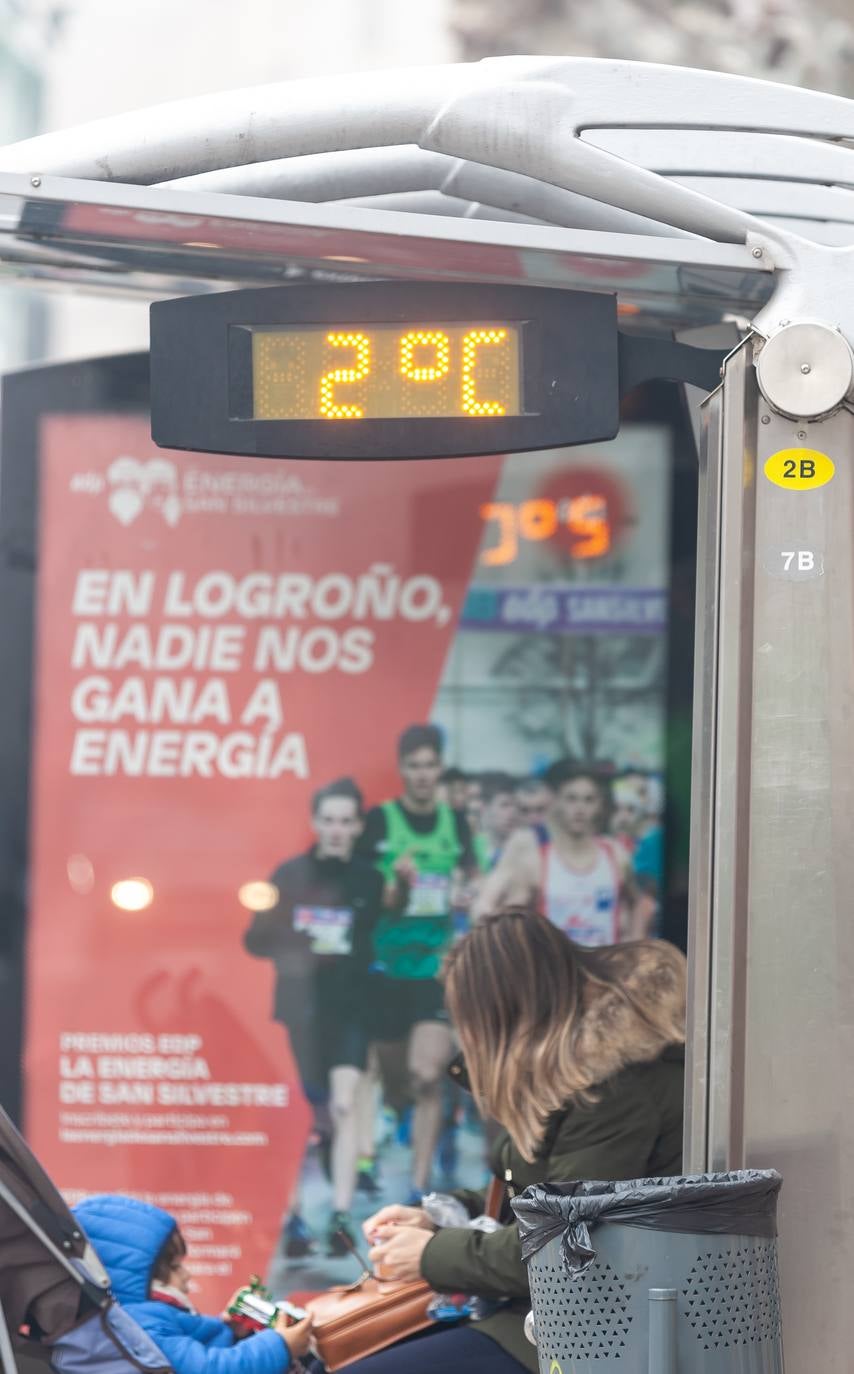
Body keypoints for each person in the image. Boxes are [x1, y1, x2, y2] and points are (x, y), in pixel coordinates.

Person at [342, 910, 685, 1374]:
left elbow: (567, 1243)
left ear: (505, 1012)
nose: (467, 1035)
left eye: (469, 1018)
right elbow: (542, 1192)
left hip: (592, 1333)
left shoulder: (610, 1088)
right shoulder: (578, 1071)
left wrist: (430, 1253)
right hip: (548, 1317)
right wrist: (441, 1215)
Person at [243, 777, 385, 1258]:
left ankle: (340, 1217)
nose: (338, 829)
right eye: (330, 820)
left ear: (358, 826)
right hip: (300, 1010)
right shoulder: (289, 875)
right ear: (315, 823)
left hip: (351, 1009)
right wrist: (297, 940)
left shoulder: (371, 879)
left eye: (347, 821)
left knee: (345, 1106)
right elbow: (255, 940)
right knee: (306, 1117)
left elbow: (369, 942)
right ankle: (298, 1216)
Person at [359, 724, 477, 1202]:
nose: (423, 775)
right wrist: (400, 888)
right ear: (402, 769)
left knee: (429, 1076)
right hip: (387, 969)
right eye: (414, 766)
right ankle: (390, 1118)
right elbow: (369, 901)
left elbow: (473, 882)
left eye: (431, 765)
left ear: (440, 768)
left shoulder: (458, 824)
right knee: (396, 1085)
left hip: (434, 968)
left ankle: (418, 1184)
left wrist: (469, 895)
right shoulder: (381, 823)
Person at [72, 1194, 313, 1374]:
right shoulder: (140, 1326)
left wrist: (227, 1329)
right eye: (176, 1267)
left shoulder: (144, 1316)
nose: (187, 1275)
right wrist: (280, 1346)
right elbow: (206, 1369)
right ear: (137, 1280)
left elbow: (190, 1349)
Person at [474, 760, 652, 944]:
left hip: (603, 969)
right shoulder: (533, 854)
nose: (580, 809)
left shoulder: (616, 855)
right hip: (554, 969)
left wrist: (635, 945)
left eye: (589, 800)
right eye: (571, 799)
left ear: (600, 804)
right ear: (557, 801)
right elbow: (502, 907)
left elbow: (640, 903)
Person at [472, 773, 519, 873]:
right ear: (485, 808)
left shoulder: (526, 849)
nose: (513, 812)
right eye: (505, 805)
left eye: (517, 805)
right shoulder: (471, 850)